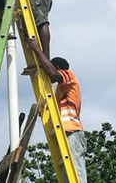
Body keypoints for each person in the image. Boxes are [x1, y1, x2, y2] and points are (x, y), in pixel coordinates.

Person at [27, 37, 87, 183]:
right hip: (65, 131)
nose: (48, 73)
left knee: (76, 172)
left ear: (58, 67)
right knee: (67, 174)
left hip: (72, 131)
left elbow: (53, 74)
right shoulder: (59, 90)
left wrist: (37, 49)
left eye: (50, 67)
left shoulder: (69, 75)